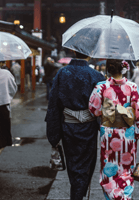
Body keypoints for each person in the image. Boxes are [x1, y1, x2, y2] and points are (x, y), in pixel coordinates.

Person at [89, 59, 139, 200]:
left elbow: (94, 110)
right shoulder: (132, 87)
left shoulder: (101, 87)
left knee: (109, 168)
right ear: (123, 69)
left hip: (108, 134)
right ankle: (125, 196)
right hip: (128, 134)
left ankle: (111, 196)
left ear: (108, 70)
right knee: (126, 170)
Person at [45, 51, 105, 200]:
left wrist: (53, 134)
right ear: (89, 55)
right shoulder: (96, 76)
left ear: (73, 53)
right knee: (85, 164)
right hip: (88, 127)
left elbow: (54, 103)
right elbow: (104, 105)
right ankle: (77, 194)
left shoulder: (62, 73)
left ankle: (76, 192)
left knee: (73, 164)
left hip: (68, 126)